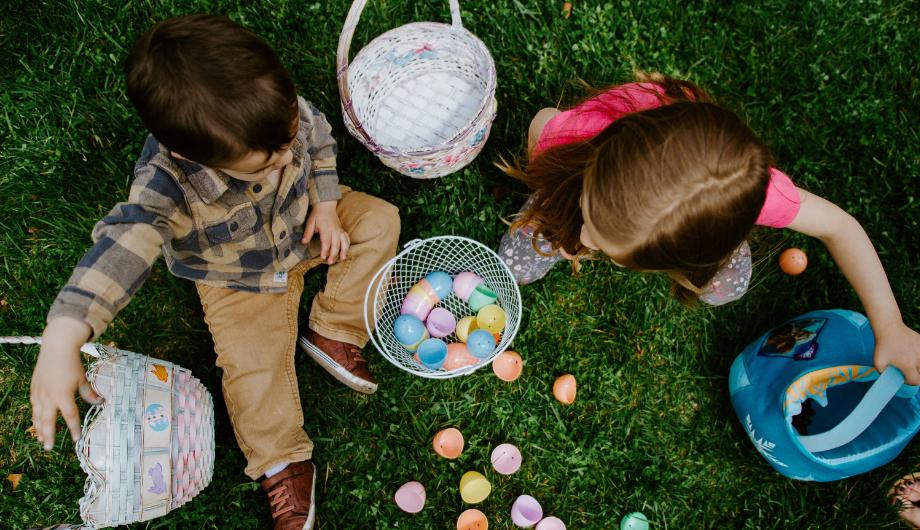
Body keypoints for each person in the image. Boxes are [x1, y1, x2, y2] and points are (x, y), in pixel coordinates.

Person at [28, 14, 400, 530]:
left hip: (307, 225)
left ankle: (333, 328)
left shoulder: (277, 114)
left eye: (287, 138)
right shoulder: (167, 184)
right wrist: (64, 332)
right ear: (185, 153)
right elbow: (125, 243)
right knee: (251, 368)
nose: (281, 160)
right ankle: (282, 459)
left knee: (380, 221)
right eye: (263, 165)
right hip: (235, 278)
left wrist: (328, 204)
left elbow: (318, 147)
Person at [499, 73, 920, 382]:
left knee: (725, 286)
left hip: (697, 219)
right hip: (586, 164)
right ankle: (568, 207)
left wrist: (891, 326)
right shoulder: (578, 137)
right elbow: (543, 121)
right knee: (531, 245)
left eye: (603, 245)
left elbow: (841, 227)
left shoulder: (757, 195)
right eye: (592, 217)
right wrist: (569, 206)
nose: (586, 241)